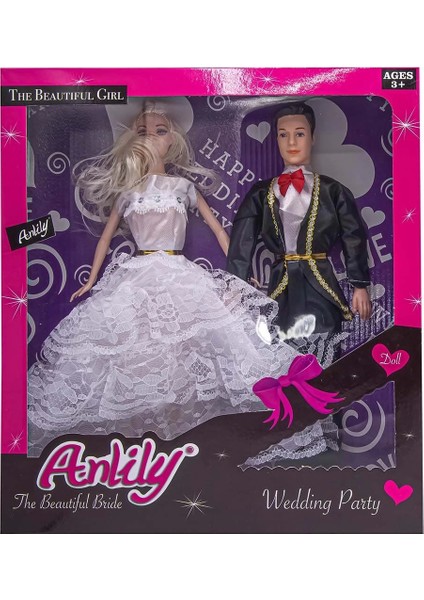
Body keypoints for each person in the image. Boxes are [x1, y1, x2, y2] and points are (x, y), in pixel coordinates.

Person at [27, 100, 300, 456]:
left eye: (160, 131)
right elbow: (105, 239)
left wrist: (241, 272)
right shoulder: (129, 192)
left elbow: (218, 230)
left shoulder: (182, 187)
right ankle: (143, 443)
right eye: (144, 132)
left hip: (179, 275)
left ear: (172, 139)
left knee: (190, 347)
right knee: (136, 351)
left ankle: (188, 437)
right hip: (137, 277)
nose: (153, 138)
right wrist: (92, 280)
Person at [227, 102, 371, 338]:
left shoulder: (333, 191)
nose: (291, 142)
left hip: (320, 283)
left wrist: (360, 285)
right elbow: (242, 240)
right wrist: (237, 285)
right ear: (276, 139)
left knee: (325, 337)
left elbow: (353, 236)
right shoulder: (261, 193)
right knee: (280, 340)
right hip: (281, 285)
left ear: (313, 138)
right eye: (283, 135)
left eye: (300, 134)